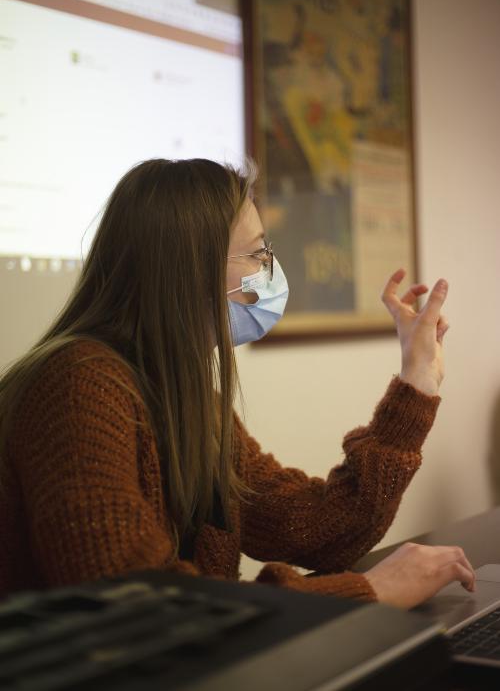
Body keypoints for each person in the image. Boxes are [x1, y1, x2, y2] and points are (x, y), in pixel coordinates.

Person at [0, 158, 475, 607]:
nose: (270, 268)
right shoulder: (76, 387)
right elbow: (133, 608)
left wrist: (417, 384)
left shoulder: (189, 401)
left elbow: (321, 529)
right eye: (255, 253)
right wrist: (369, 591)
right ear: (186, 268)